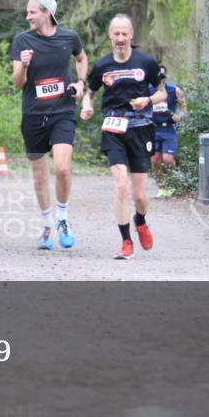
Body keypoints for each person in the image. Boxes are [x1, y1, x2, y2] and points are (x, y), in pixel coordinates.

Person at [81, 14, 166, 259]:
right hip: (113, 128)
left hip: (140, 128)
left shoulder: (145, 62)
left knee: (139, 196)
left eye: (124, 34)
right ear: (110, 36)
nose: (120, 38)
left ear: (131, 36)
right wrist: (87, 106)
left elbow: (162, 94)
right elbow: (91, 93)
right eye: (115, 34)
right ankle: (126, 241)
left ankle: (140, 220)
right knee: (120, 186)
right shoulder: (101, 66)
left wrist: (147, 100)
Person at [10, 0, 88, 250]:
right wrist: (23, 65)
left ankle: (62, 220)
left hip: (62, 111)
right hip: (33, 114)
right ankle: (46, 224)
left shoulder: (70, 37)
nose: (27, 17)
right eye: (27, 12)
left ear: (47, 13)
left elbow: (81, 58)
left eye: (32, 12)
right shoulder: (22, 40)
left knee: (63, 168)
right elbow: (17, 83)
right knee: (40, 176)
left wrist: (80, 82)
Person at [150, 63, 187, 197]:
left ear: (166, 76)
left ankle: (172, 183)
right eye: (158, 76)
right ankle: (161, 187)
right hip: (153, 130)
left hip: (168, 130)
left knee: (167, 159)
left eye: (162, 76)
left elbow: (184, 108)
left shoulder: (174, 90)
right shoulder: (147, 90)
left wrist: (180, 116)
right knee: (155, 160)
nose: (160, 79)